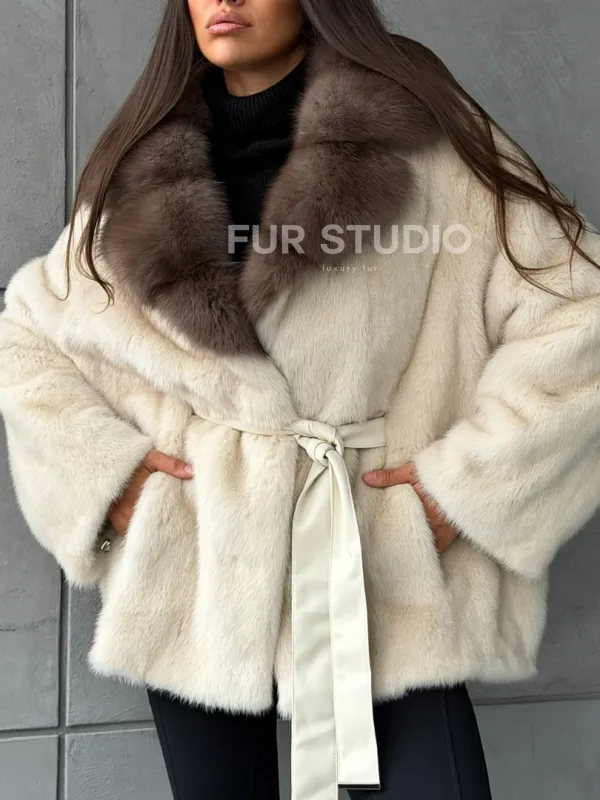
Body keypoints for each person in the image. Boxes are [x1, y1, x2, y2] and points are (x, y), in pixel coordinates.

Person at [2, 0, 600, 798]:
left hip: (374, 559)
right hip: (204, 562)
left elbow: (580, 310)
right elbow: (29, 336)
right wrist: (110, 482)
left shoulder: (417, 137)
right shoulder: (139, 171)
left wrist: (468, 489)